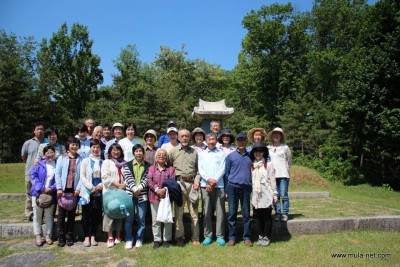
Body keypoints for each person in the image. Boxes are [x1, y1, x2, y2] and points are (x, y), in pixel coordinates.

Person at [168, 128, 200, 246]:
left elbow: (198, 170)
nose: (185, 138)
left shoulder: (194, 152)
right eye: (182, 136)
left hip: (192, 185)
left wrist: (197, 181)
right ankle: (179, 236)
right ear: (178, 137)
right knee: (178, 213)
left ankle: (195, 237)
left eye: (187, 136)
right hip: (179, 185)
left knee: (194, 213)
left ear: (189, 137)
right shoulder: (173, 152)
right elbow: (169, 168)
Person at [224, 133, 253, 247]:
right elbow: (226, 175)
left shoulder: (251, 156)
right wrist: (226, 190)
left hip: (246, 187)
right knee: (232, 213)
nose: (241, 143)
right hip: (232, 187)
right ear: (236, 142)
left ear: (246, 142)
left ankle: (247, 237)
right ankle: (232, 237)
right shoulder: (230, 156)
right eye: (239, 141)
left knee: (246, 213)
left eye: (243, 140)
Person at [198, 133, 226, 246]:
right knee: (206, 212)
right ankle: (208, 235)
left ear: (216, 140)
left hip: (219, 186)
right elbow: (200, 169)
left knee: (220, 212)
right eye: (209, 139)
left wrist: (214, 182)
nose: (211, 141)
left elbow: (222, 169)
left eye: (213, 139)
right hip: (205, 186)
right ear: (206, 141)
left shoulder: (221, 153)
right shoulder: (201, 154)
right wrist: (208, 180)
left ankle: (220, 236)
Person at [55, 137, 82, 247]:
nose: (74, 146)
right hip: (63, 190)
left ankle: (69, 236)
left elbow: (82, 175)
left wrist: (78, 188)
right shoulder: (62, 158)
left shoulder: (81, 159)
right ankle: (60, 237)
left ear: (79, 147)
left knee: (72, 216)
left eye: (76, 145)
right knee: (61, 216)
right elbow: (58, 173)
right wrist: (59, 187)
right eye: (72, 144)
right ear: (68, 145)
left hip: (74, 190)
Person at [250, 142, 277, 247]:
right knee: (257, 217)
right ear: (253, 153)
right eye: (256, 151)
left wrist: (275, 195)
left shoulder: (268, 165)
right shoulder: (252, 165)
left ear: (264, 152)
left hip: (267, 194)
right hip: (256, 194)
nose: (258, 153)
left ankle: (267, 236)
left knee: (267, 216)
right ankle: (260, 235)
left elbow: (272, 180)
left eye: (260, 151)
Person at [123, 144, 151, 249]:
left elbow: (147, 179)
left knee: (141, 218)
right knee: (128, 218)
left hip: (142, 195)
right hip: (130, 195)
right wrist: (134, 189)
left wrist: (139, 188)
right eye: (136, 151)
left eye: (140, 151)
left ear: (143, 153)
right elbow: (128, 177)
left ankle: (139, 238)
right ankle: (129, 239)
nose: (138, 153)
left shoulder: (148, 165)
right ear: (133, 153)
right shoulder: (127, 165)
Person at [147, 149, 176, 249]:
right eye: (159, 154)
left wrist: (164, 189)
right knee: (156, 219)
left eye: (164, 155)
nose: (161, 156)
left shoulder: (171, 169)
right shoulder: (151, 168)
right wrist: (157, 189)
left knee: (167, 218)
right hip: (154, 196)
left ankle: (167, 239)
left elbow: (171, 181)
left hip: (166, 197)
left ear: (166, 157)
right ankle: (157, 239)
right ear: (156, 156)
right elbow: (149, 181)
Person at [30, 145, 57, 246]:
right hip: (37, 193)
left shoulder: (57, 164)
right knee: (37, 215)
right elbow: (33, 176)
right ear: (44, 154)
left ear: (55, 153)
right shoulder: (38, 164)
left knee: (49, 215)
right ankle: (37, 236)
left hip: (51, 193)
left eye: (51, 152)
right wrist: (41, 188)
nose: (50, 155)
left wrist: (51, 188)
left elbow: (59, 179)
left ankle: (48, 235)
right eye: (47, 153)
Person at [101, 143, 127, 248]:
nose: (116, 152)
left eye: (118, 150)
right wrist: (118, 185)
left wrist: (123, 185)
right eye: (113, 150)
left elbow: (128, 176)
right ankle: (110, 236)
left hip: (121, 192)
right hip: (110, 192)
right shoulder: (106, 162)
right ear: (110, 151)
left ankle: (118, 235)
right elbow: (105, 177)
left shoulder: (124, 163)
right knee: (110, 213)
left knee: (120, 213)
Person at [79, 139, 103, 247]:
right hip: (87, 192)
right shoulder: (85, 161)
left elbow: (106, 176)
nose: (95, 149)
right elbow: (82, 177)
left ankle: (93, 236)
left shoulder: (103, 162)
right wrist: (91, 187)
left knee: (96, 215)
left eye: (97, 147)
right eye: (93, 147)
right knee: (86, 215)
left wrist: (101, 185)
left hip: (99, 191)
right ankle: (86, 237)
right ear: (90, 148)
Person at [267, 127, 292, 222]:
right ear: (272, 136)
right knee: (275, 195)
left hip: (283, 175)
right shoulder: (268, 148)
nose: (276, 135)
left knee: (283, 195)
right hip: (272, 176)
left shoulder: (285, 147)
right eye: (274, 133)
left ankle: (285, 213)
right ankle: (277, 213)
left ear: (281, 136)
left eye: (278, 134)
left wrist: (286, 170)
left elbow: (289, 161)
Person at [21, 122, 45, 221]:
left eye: (42, 129)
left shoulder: (46, 143)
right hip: (30, 172)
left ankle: (42, 215)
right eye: (38, 129)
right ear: (34, 131)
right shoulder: (28, 143)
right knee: (29, 193)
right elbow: (24, 157)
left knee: (42, 194)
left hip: (43, 173)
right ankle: (28, 214)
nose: (40, 131)